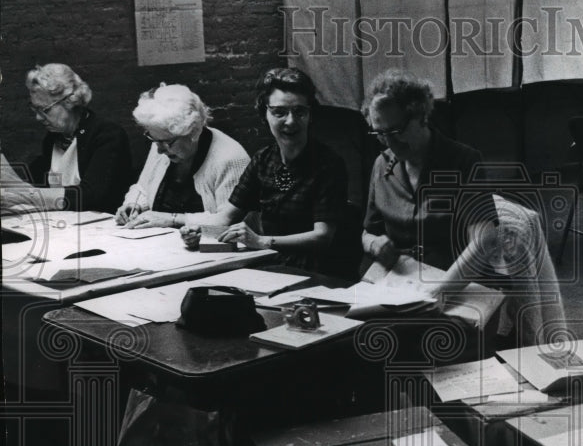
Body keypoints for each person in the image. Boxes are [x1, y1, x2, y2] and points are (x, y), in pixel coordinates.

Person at [180, 67, 349, 275]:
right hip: (269, 266)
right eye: (279, 112)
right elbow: (225, 217)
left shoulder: (328, 164)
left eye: (300, 112)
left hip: (318, 273)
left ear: (310, 114)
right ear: (264, 114)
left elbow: (323, 236)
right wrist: (200, 231)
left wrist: (261, 241)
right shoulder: (263, 160)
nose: (290, 121)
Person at [361, 69, 498, 293]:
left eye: (397, 130)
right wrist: (373, 244)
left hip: (452, 279)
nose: (391, 143)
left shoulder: (463, 161)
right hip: (397, 279)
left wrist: (440, 293)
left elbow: (484, 240)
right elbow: (368, 231)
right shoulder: (381, 165)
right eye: (381, 134)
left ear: (421, 116)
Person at [115, 84, 250, 229]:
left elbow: (228, 223)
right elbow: (143, 188)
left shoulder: (230, 159)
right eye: (153, 139)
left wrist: (172, 219)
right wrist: (134, 205)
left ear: (194, 132)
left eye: (167, 142)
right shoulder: (161, 142)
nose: (159, 150)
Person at [18, 64, 133, 213]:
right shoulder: (53, 138)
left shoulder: (107, 134)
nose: (38, 117)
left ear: (70, 101)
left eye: (44, 110)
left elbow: (91, 196)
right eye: (34, 109)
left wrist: (24, 196)